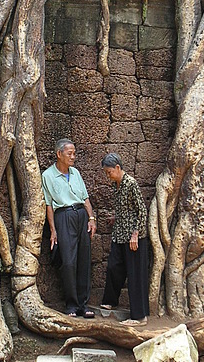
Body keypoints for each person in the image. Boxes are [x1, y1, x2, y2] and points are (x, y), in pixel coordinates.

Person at [42, 138, 97, 318]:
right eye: (69, 153)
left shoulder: (76, 173)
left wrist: (91, 218)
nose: (73, 157)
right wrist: (53, 230)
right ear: (59, 154)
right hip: (63, 216)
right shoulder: (48, 176)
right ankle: (71, 305)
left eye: (74, 153)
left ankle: (84, 304)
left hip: (81, 215)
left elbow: (85, 198)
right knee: (68, 261)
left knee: (84, 259)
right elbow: (49, 205)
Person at [101, 152, 150, 326]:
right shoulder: (117, 185)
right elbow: (126, 208)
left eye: (109, 172)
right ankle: (111, 300)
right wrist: (116, 217)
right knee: (114, 266)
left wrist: (136, 234)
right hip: (119, 234)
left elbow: (141, 211)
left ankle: (140, 317)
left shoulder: (130, 184)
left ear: (118, 168)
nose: (108, 176)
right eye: (106, 173)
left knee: (135, 274)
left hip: (133, 237)